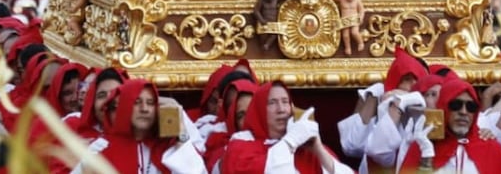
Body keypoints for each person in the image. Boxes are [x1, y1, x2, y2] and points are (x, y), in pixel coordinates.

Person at [74, 78, 205, 173]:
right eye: (137, 102)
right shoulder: (101, 147)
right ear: (125, 106)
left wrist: (180, 134)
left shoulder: (169, 147)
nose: (145, 109)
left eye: (150, 103)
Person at [221, 82, 352, 174]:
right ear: (259, 110)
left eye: (285, 102)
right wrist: (290, 142)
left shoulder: (306, 148)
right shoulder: (241, 145)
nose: (281, 109)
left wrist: (319, 149)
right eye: (272, 102)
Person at [397, 78, 501, 173]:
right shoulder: (422, 145)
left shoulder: (492, 149)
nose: (463, 112)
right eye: (456, 105)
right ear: (444, 107)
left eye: (471, 107)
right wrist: (427, 154)